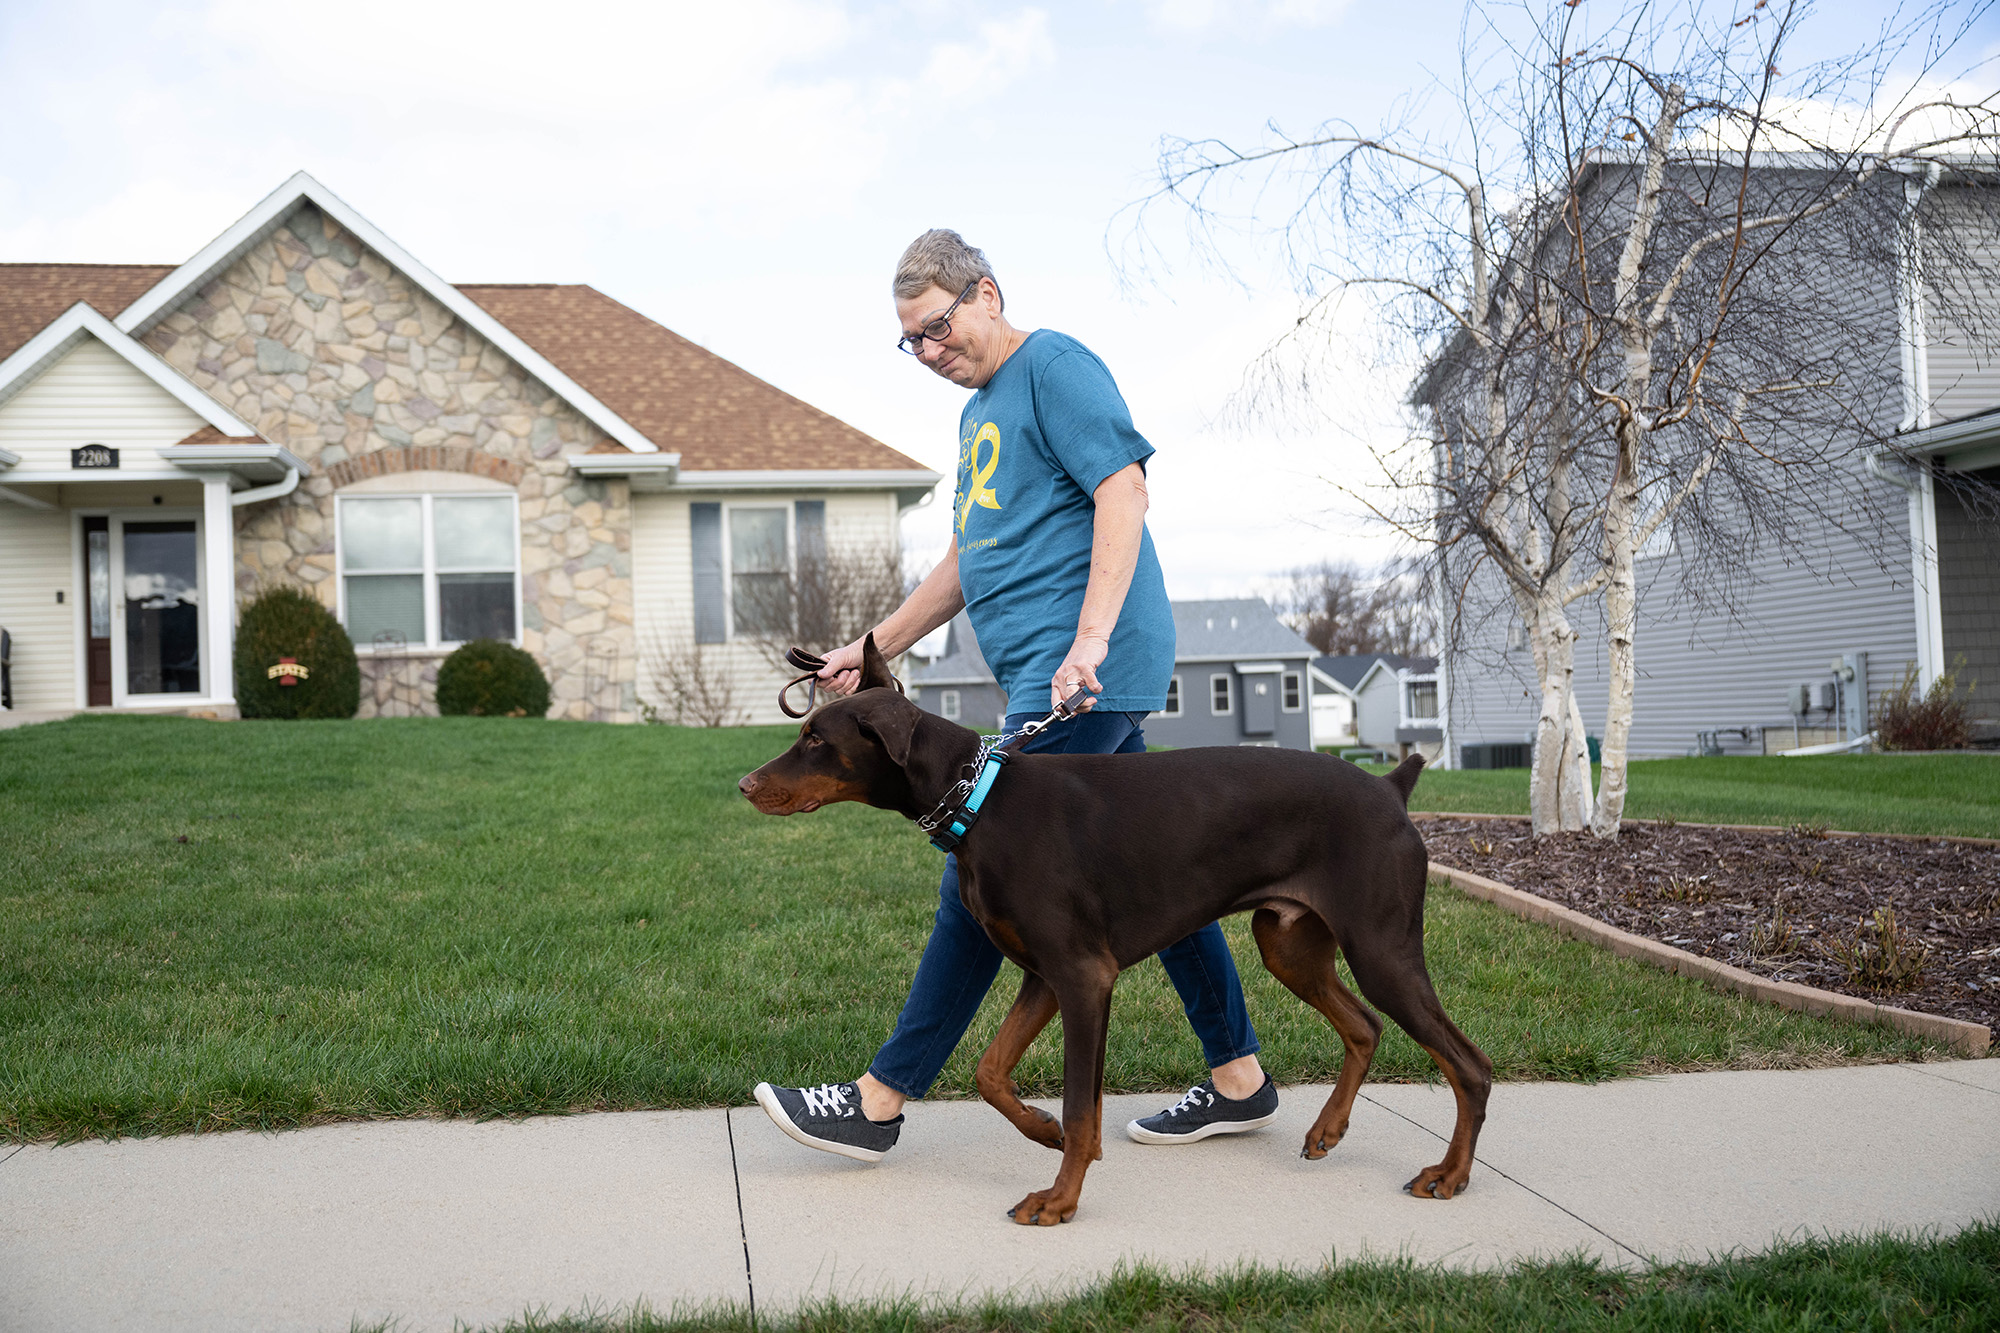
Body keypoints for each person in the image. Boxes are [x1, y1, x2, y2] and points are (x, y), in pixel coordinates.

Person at [752, 230, 1276, 1162]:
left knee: (980, 865)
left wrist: (1090, 642)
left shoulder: (1055, 367)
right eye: (911, 341)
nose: (929, 350)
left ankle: (878, 1100)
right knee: (1167, 870)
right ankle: (1238, 1076)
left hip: (1077, 672)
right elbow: (969, 559)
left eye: (938, 326)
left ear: (987, 293)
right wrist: (869, 648)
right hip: (1055, 672)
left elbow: (1123, 490)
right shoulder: (978, 412)